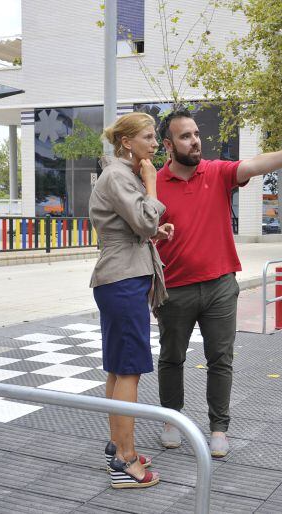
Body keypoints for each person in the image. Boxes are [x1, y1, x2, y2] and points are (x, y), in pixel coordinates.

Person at [154, 110, 282, 457]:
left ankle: (219, 428)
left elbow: (254, 165)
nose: (195, 141)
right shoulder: (154, 183)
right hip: (174, 288)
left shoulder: (216, 172)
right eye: (185, 136)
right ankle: (171, 419)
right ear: (168, 145)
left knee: (221, 358)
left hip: (219, 285)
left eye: (196, 134)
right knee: (172, 358)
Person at [89, 112, 174, 489]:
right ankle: (125, 461)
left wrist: (155, 230)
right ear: (127, 142)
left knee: (118, 367)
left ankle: (117, 446)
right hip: (122, 279)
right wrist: (153, 185)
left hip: (121, 277)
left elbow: (137, 226)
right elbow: (143, 221)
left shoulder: (120, 174)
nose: (155, 144)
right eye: (149, 137)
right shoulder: (120, 175)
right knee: (129, 370)